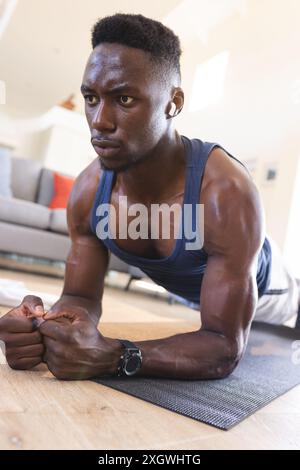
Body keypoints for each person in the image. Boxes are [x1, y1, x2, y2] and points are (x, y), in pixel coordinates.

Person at [0, 14, 299, 381]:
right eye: (91, 98)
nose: (100, 121)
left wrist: (115, 355)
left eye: (124, 98)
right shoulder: (89, 192)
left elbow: (223, 348)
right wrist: (48, 331)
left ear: (173, 102)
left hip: (274, 292)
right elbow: (81, 298)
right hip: (200, 293)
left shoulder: (225, 191)